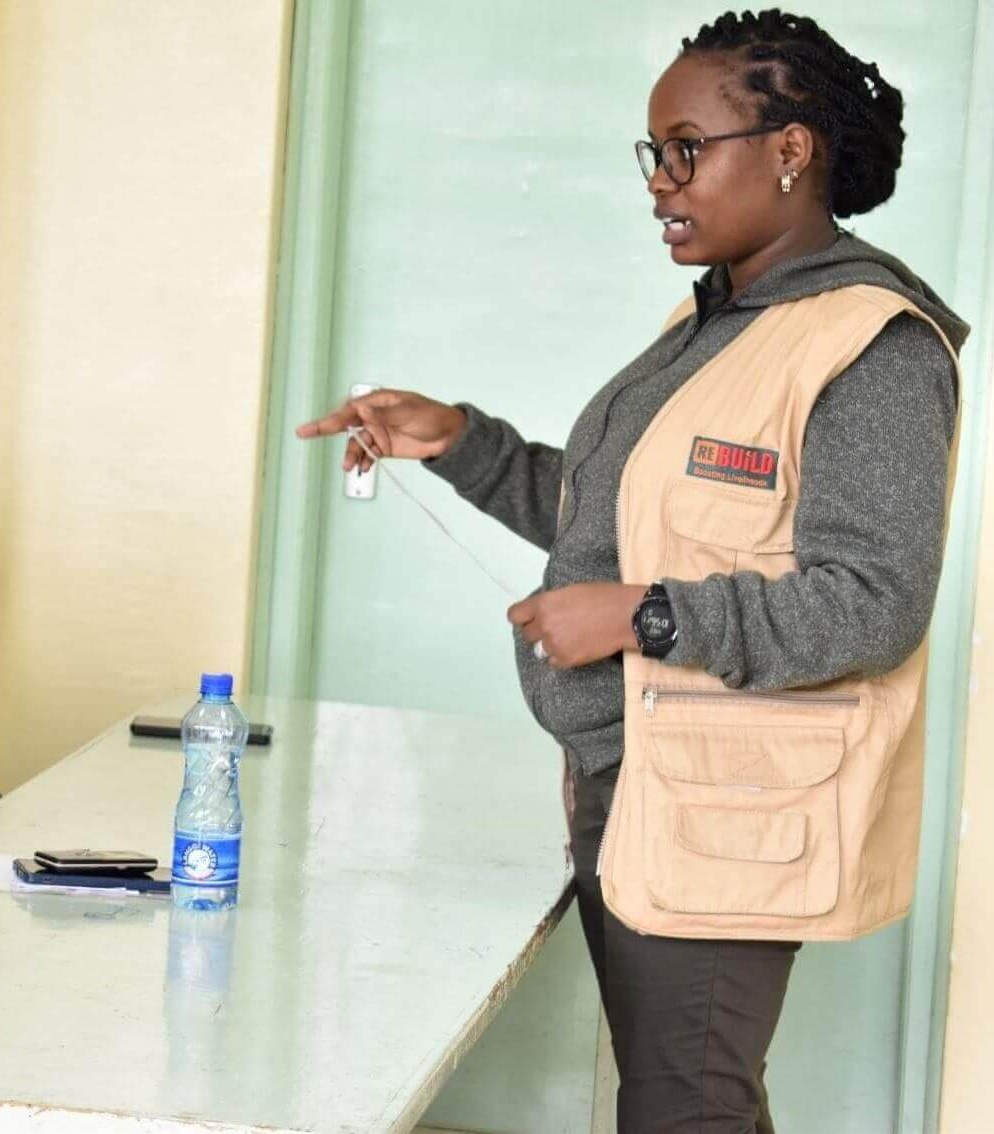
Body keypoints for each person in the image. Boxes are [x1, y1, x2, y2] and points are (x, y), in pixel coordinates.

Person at [298, 11, 963, 1131]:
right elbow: (619, 522)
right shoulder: (714, 322)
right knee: (682, 1101)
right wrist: (461, 438)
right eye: (653, 153)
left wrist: (646, 619)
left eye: (686, 148)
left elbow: (874, 602)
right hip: (637, 782)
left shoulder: (872, 345)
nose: (660, 180)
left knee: (684, 1106)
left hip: (728, 807)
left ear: (791, 151)